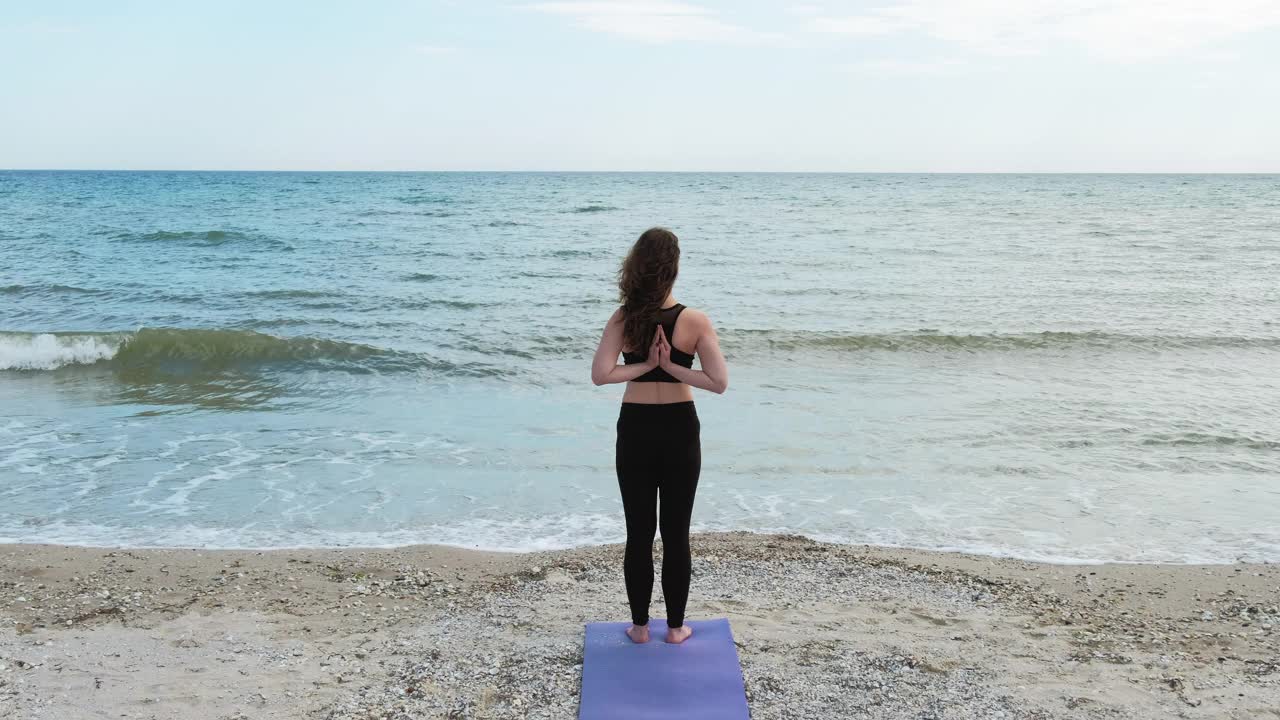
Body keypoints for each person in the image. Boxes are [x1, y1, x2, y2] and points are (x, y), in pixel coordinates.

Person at [590, 227, 730, 645]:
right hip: (679, 428)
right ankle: (675, 629)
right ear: (674, 269)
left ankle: (638, 627)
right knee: (675, 531)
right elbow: (718, 382)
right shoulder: (693, 320)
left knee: (638, 531)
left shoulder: (623, 317)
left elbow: (601, 376)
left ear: (637, 266)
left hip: (634, 426)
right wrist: (671, 368)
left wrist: (645, 365)